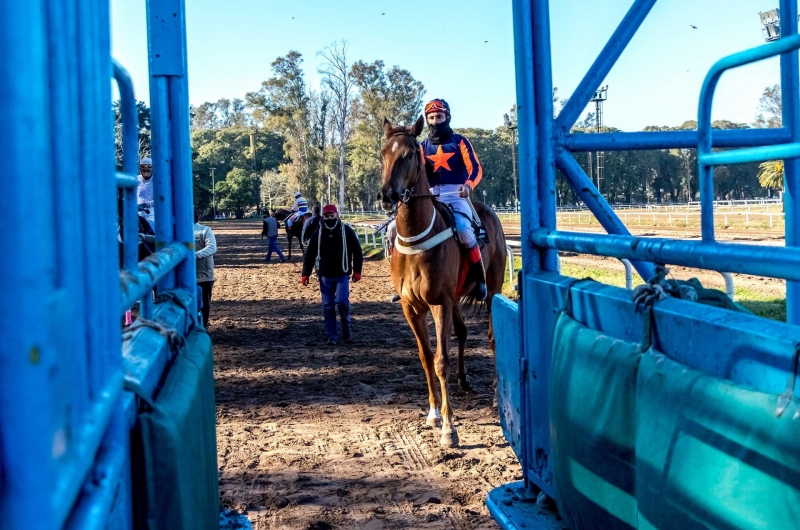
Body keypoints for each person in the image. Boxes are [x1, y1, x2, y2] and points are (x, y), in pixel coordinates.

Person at [422, 98, 486, 299]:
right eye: (431, 118)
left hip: (456, 194)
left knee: (463, 229)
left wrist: (468, 185)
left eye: (439, 117)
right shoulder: (421, 146)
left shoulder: (460, 141)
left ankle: (479, 279)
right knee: (396, 230)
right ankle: (405, 281)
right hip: (430, 195)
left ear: (447, 117)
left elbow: (475, 167)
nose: (435, 121)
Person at [301, 204, 363, 345]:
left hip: (342, 273)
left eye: (332, 216)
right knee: (328, 306)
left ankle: (346, 325)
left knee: (341, 302)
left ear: (337, 215)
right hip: (324, 275)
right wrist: (306, 273)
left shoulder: (346, 231)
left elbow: (357, 251)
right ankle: (332, 335)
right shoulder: (318, 232)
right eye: (327, 216)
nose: (329, 218)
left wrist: (357, 270)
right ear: (323, 216)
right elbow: (310, 255)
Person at [194, 208, 217, 327]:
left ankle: (203, 326)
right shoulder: (178, 231)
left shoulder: (204, 230)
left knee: (204, 303)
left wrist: (195, 255)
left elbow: (212, 248)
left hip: (203, 275)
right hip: (186, 275)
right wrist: (145, 237)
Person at [137, 157, 155, 232]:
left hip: (151, 214)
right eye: (143, 167)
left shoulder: (157, 181)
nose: (146, 169)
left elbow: (160, 198)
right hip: (136, 211)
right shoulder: (136, 179)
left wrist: (147, 205)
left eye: (149, 167)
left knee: (151, 231)